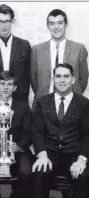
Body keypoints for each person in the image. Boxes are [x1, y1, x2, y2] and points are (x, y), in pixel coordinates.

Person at [30, 63, 89, 198]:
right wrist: (42, 155)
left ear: (73, 79)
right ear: (53, 79)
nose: (62, 80)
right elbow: (37, 131)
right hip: (50, 154)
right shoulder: (42, 102)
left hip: (74, 155)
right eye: (58, 76)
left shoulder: (84, 103)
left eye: (66, 76)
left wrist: (81, 160)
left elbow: (87, 134)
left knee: (83, 176)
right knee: (39, 173)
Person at [30, 9, 88, 106]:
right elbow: (33, 79)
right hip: (43, 103)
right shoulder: (36, 50)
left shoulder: (79, 49)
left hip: (72, 104)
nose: (56, 27)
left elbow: (83, 79)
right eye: (52, 23)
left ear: (66, 24)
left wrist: (73, 95)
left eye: (60, 23)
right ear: (48, 26)